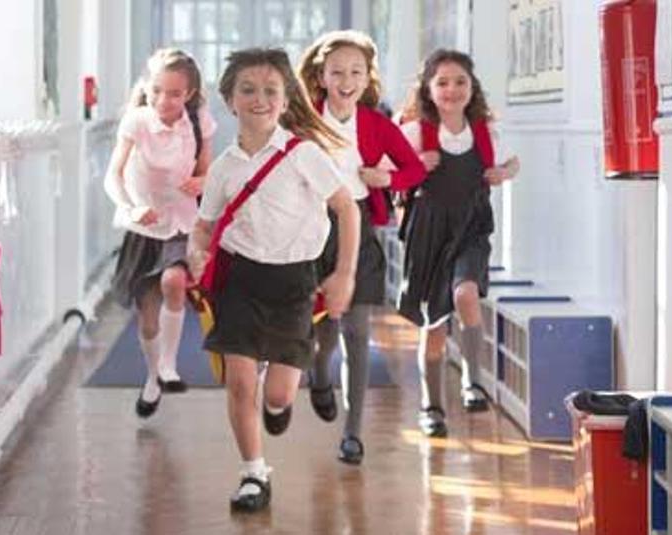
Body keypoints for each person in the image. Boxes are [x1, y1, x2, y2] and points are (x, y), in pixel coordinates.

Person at [187, 47, 359, 513]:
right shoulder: (223, 167)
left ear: (285, 101)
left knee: (279, 392)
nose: (259, 99)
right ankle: (253, 474)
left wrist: (343, 274)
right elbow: (204, 226)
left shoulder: (303, 154)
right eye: (248, 90)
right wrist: (196, 251)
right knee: (241, 383)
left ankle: (277, 407)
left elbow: (347, 207)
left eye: (270, 91)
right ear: (230, 100)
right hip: (239, 280)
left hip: (294, 283)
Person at [296, 30, 426, 465]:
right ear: (321, 76)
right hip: (312, 230)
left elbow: (412, 170)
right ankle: (318, 375)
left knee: (357, 331)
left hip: (359, 226)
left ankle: (352, 433)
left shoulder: (375, 124)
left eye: (356, 72)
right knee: (325, 332)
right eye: (337, 72)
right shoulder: (304, 121)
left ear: (367, 77)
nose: (347, 80)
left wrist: (386, 179)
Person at [397, 49, 521, 438]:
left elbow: (513, 163)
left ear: (472, 87)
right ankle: (431, 405)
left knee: (467, 293)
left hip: (471, 227)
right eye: (443, 82)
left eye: (460, 82)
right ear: (429, 90)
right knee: (434, 325)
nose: (452, 90)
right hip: (428, 233)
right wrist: (417, 166)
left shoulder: (483, 130)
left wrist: (504, 172)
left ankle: (473, 380)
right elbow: (389, 175)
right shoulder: (415, 132)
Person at [104, 48, 216, 419]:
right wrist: (131, 207)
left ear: (189, 94)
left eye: (174, 93)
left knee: (174, 282)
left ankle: (168, 365)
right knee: (147, 314)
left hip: (181, 223)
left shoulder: (198, 121)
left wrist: (200, 181)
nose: (163, 101)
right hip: (143, 226)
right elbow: (113, 175)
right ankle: (152, 377)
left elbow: (208, 173)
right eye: (157, 91)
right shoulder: (136, 122)